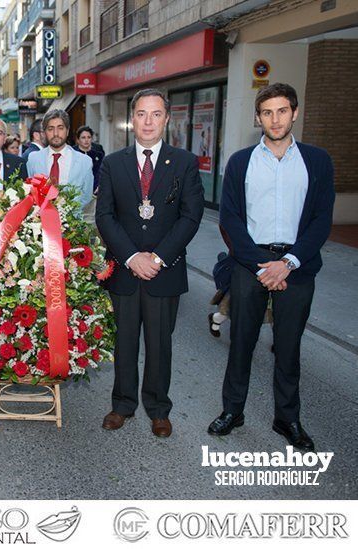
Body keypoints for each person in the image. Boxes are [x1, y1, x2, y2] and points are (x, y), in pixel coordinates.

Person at [208, 83, 335, 451]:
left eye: (281, 111)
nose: (275, 119)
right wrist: (260, 264)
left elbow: (321, 220)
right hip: (251, 263)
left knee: (288, 346)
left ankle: (287, 418)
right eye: (267, 112)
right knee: (241, 342)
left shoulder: (317, 161)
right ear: (258, 117)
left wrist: (288, 263)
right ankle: (233, 411)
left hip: (298, 263)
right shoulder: (241, 162)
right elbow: (230, 218)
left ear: (294, 113)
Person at [96, 88, 204, 438]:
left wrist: (156, 258)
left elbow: (191, 216)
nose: (148, 121)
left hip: (164, 272)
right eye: (141, 113)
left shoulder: (185, 162)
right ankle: (123, 404)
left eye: (156, 114)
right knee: (124, 342)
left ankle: (158, 408)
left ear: (167, 118)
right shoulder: (113, 162)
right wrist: (131, 257)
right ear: (132, 119)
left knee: (160, 344)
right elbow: (105, 216)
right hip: (124, 271)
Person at [26, 110, 93, 212]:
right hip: (39, 223)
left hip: (73, 224)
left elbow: (86, 196)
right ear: (44, 132)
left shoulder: (85, 162)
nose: (56, 133)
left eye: (60, 128)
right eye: (50, 129)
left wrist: (67, 213)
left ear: (67, 130)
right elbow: (30, 191)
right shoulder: (33, 159)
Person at [73, 125, 105, 193]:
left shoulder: (99, 155)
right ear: (78, 140)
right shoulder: (72, 154)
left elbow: (103, 172)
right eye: (83, 137)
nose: (86, 140)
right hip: (77, 191)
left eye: (89, 137)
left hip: (96, 191)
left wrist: (100, 185)